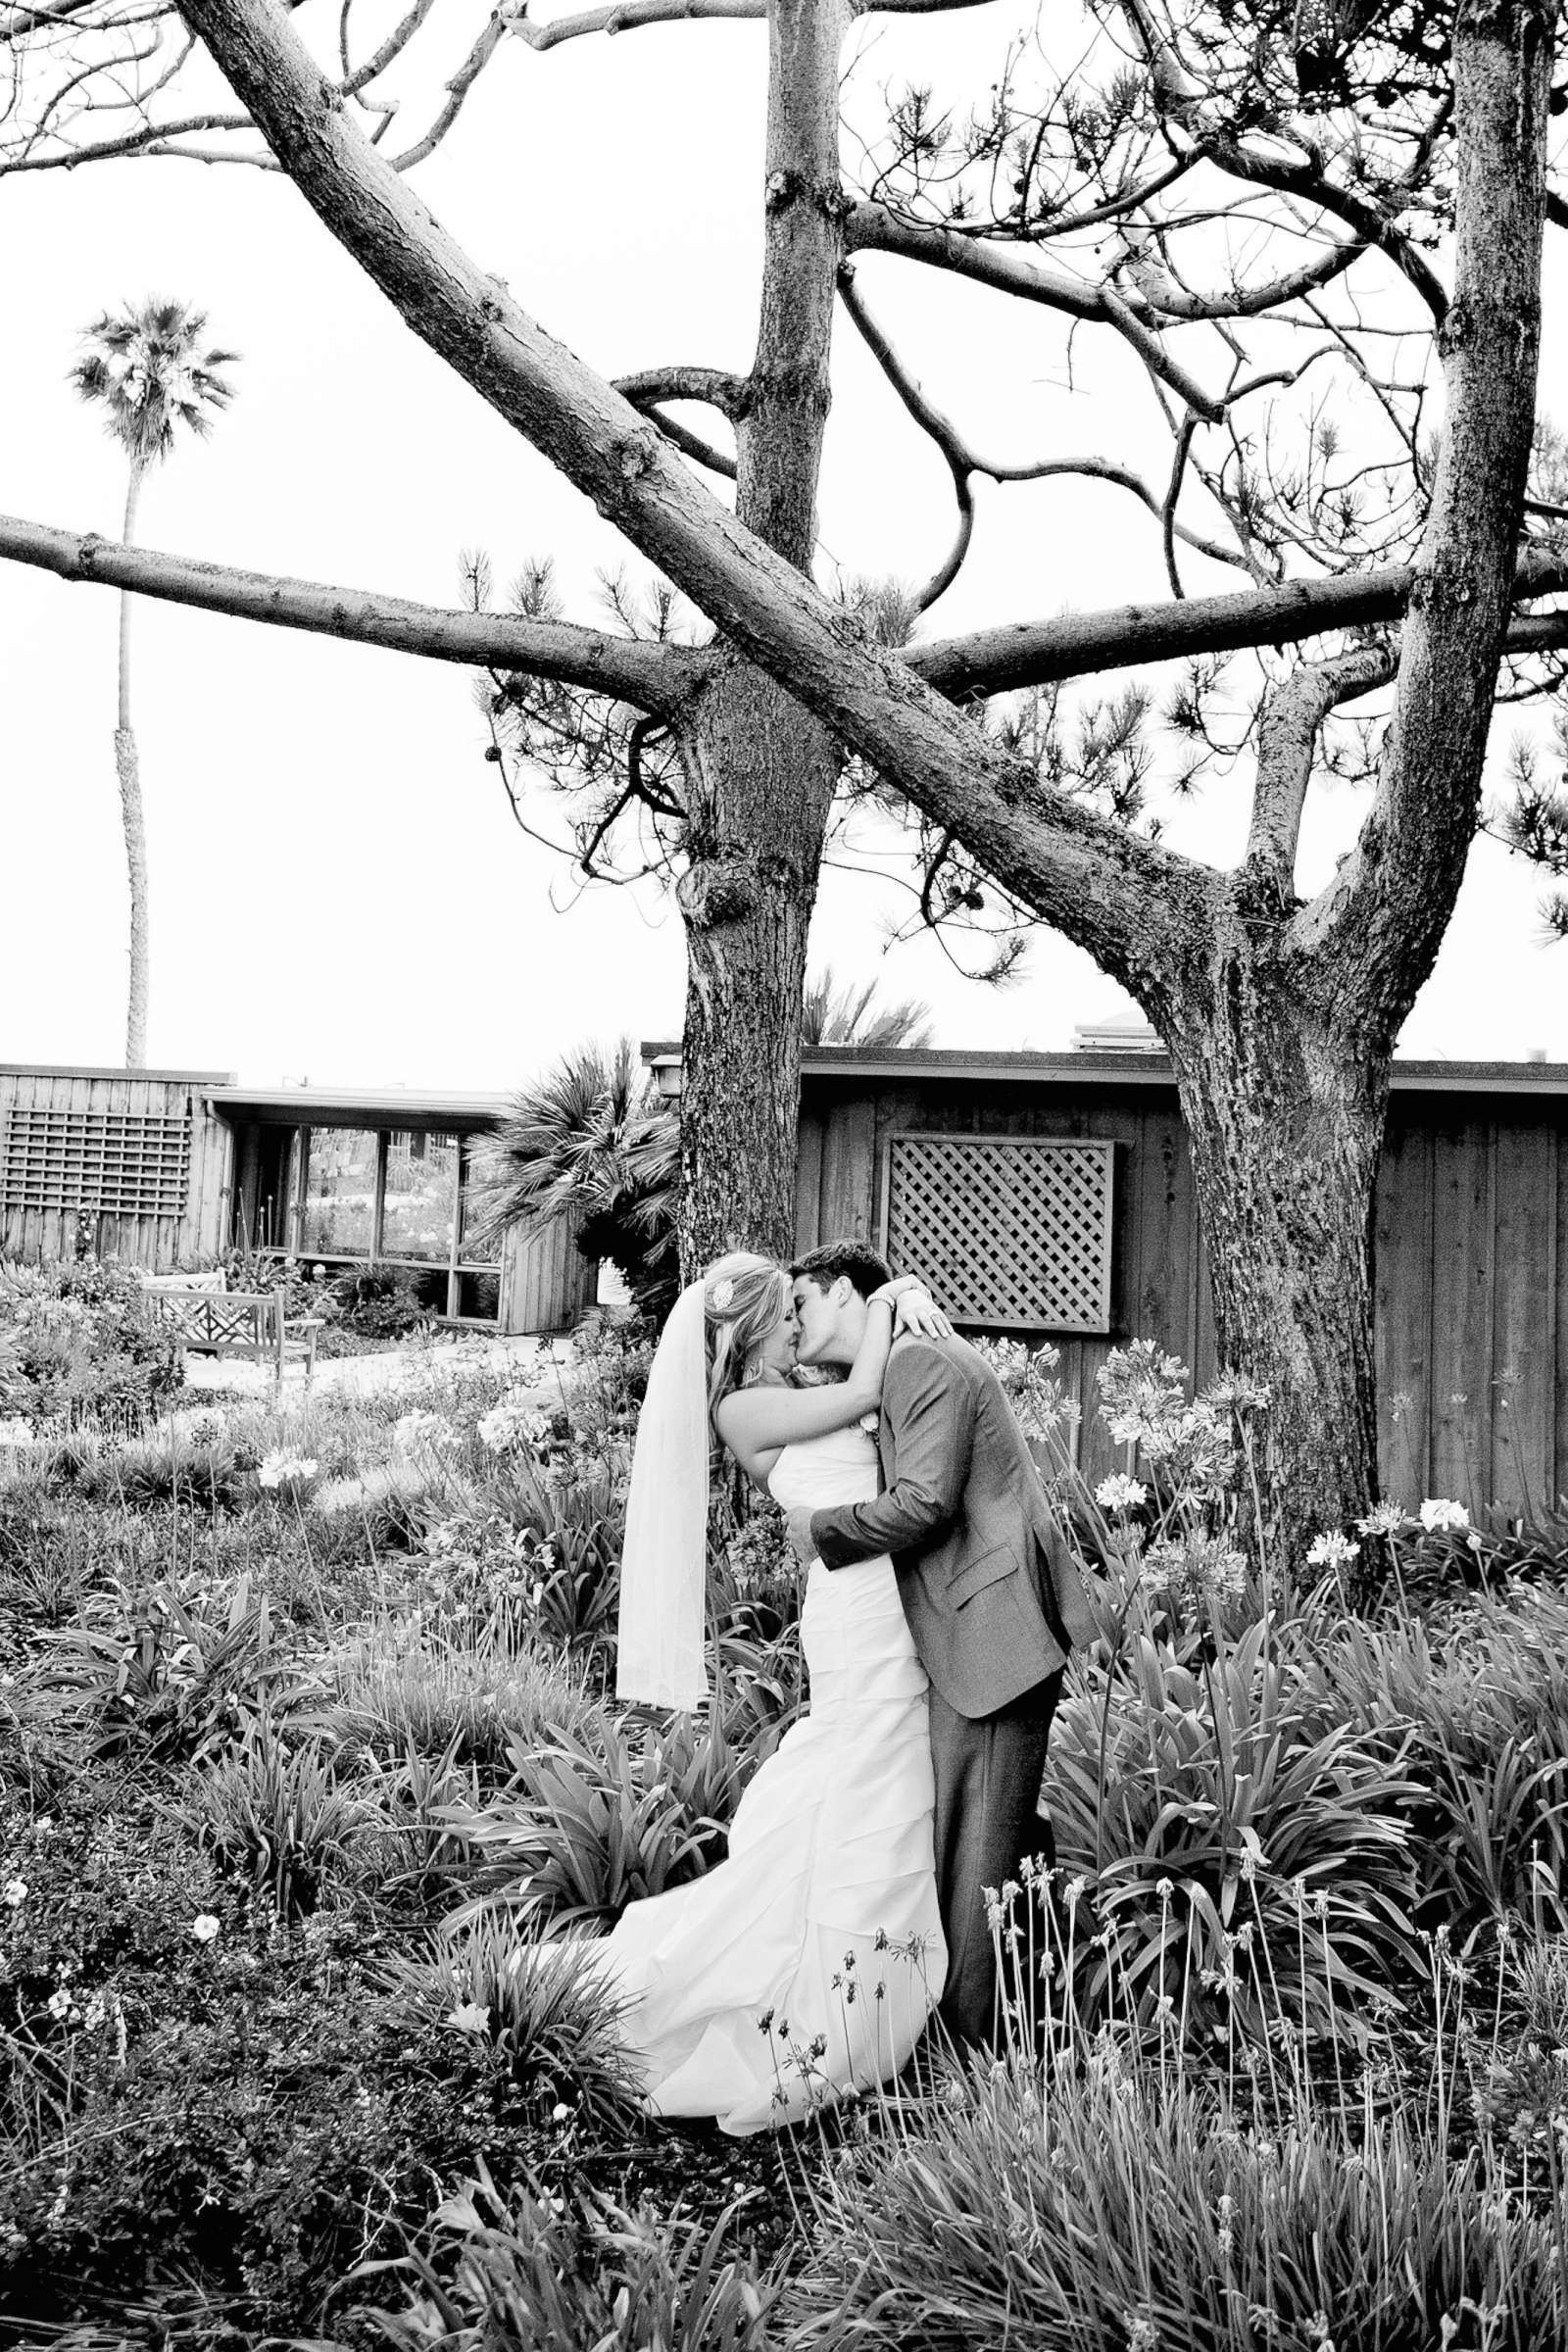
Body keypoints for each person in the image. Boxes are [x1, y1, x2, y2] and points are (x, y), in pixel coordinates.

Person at [597, 1250, 953, 2135]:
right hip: (855, 1607)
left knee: (863, 1773)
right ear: (754, 1323)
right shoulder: (745, 1408)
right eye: (787, 1309)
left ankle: (840, 1964)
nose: (799, 1320)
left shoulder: (787, 1387)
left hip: (875, 1592)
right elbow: (870, 1391)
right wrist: (897, 1293)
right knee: (872, 1761)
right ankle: (848, 2000)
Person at [784, 1239, 1099, 2050]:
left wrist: (818, 1531)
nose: (794, 1321)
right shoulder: (900, 1360)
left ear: (849, 1295)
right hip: (972, 1631)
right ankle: (1037, 2018)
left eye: (803, 1303)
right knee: (991, 1840)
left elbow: (923, 1502)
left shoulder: (921, 1362)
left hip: (993, 1632)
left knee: (977, 1857)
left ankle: (968, 2059)